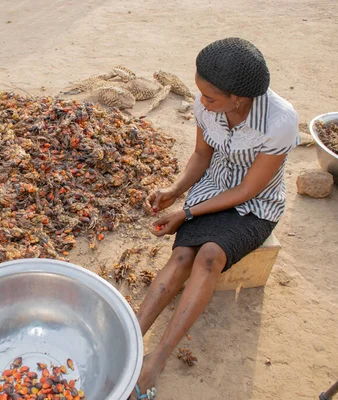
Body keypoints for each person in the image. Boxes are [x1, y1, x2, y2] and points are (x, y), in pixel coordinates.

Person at [129, 37, 300, 400]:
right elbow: (201, 155)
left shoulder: (279, 120)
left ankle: (155, 360)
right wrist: (175, 191)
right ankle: (128, 339)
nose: (202, 103)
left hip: (256, 205)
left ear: (238, 97)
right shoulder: (207, 107)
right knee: (181, 256)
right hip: (212, 190)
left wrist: (185, 212)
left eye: (210, 98)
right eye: (201, 94)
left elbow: (248, 190)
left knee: (209, 256)